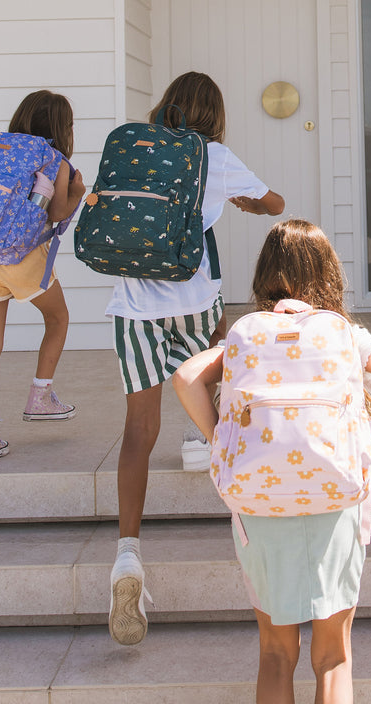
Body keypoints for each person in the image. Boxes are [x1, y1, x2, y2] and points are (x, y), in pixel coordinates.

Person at [173, 219, 371, 703]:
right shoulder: (344, 333)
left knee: (274, 652)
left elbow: (186, 378)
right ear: (327, 271)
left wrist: (220, 436)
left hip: (259, 499)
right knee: (333, 655)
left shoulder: (248, 336)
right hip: (335, 496)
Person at [106, 71, 285, 646]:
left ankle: (128, 558)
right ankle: (245, 514)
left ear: (165, 107)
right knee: (218, 396)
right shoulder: (212, 155)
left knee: (137, 430)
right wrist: (239, 198)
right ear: (214, 114)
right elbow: (275, 203)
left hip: (132, 306)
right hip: (193, 299)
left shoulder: (135, 144)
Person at [0, 90, 86, 460]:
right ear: (62, 128)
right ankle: (41, 396)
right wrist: (77, 192)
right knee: (58, 318)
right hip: (23, 259)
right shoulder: (54, 160)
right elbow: (56, 213)